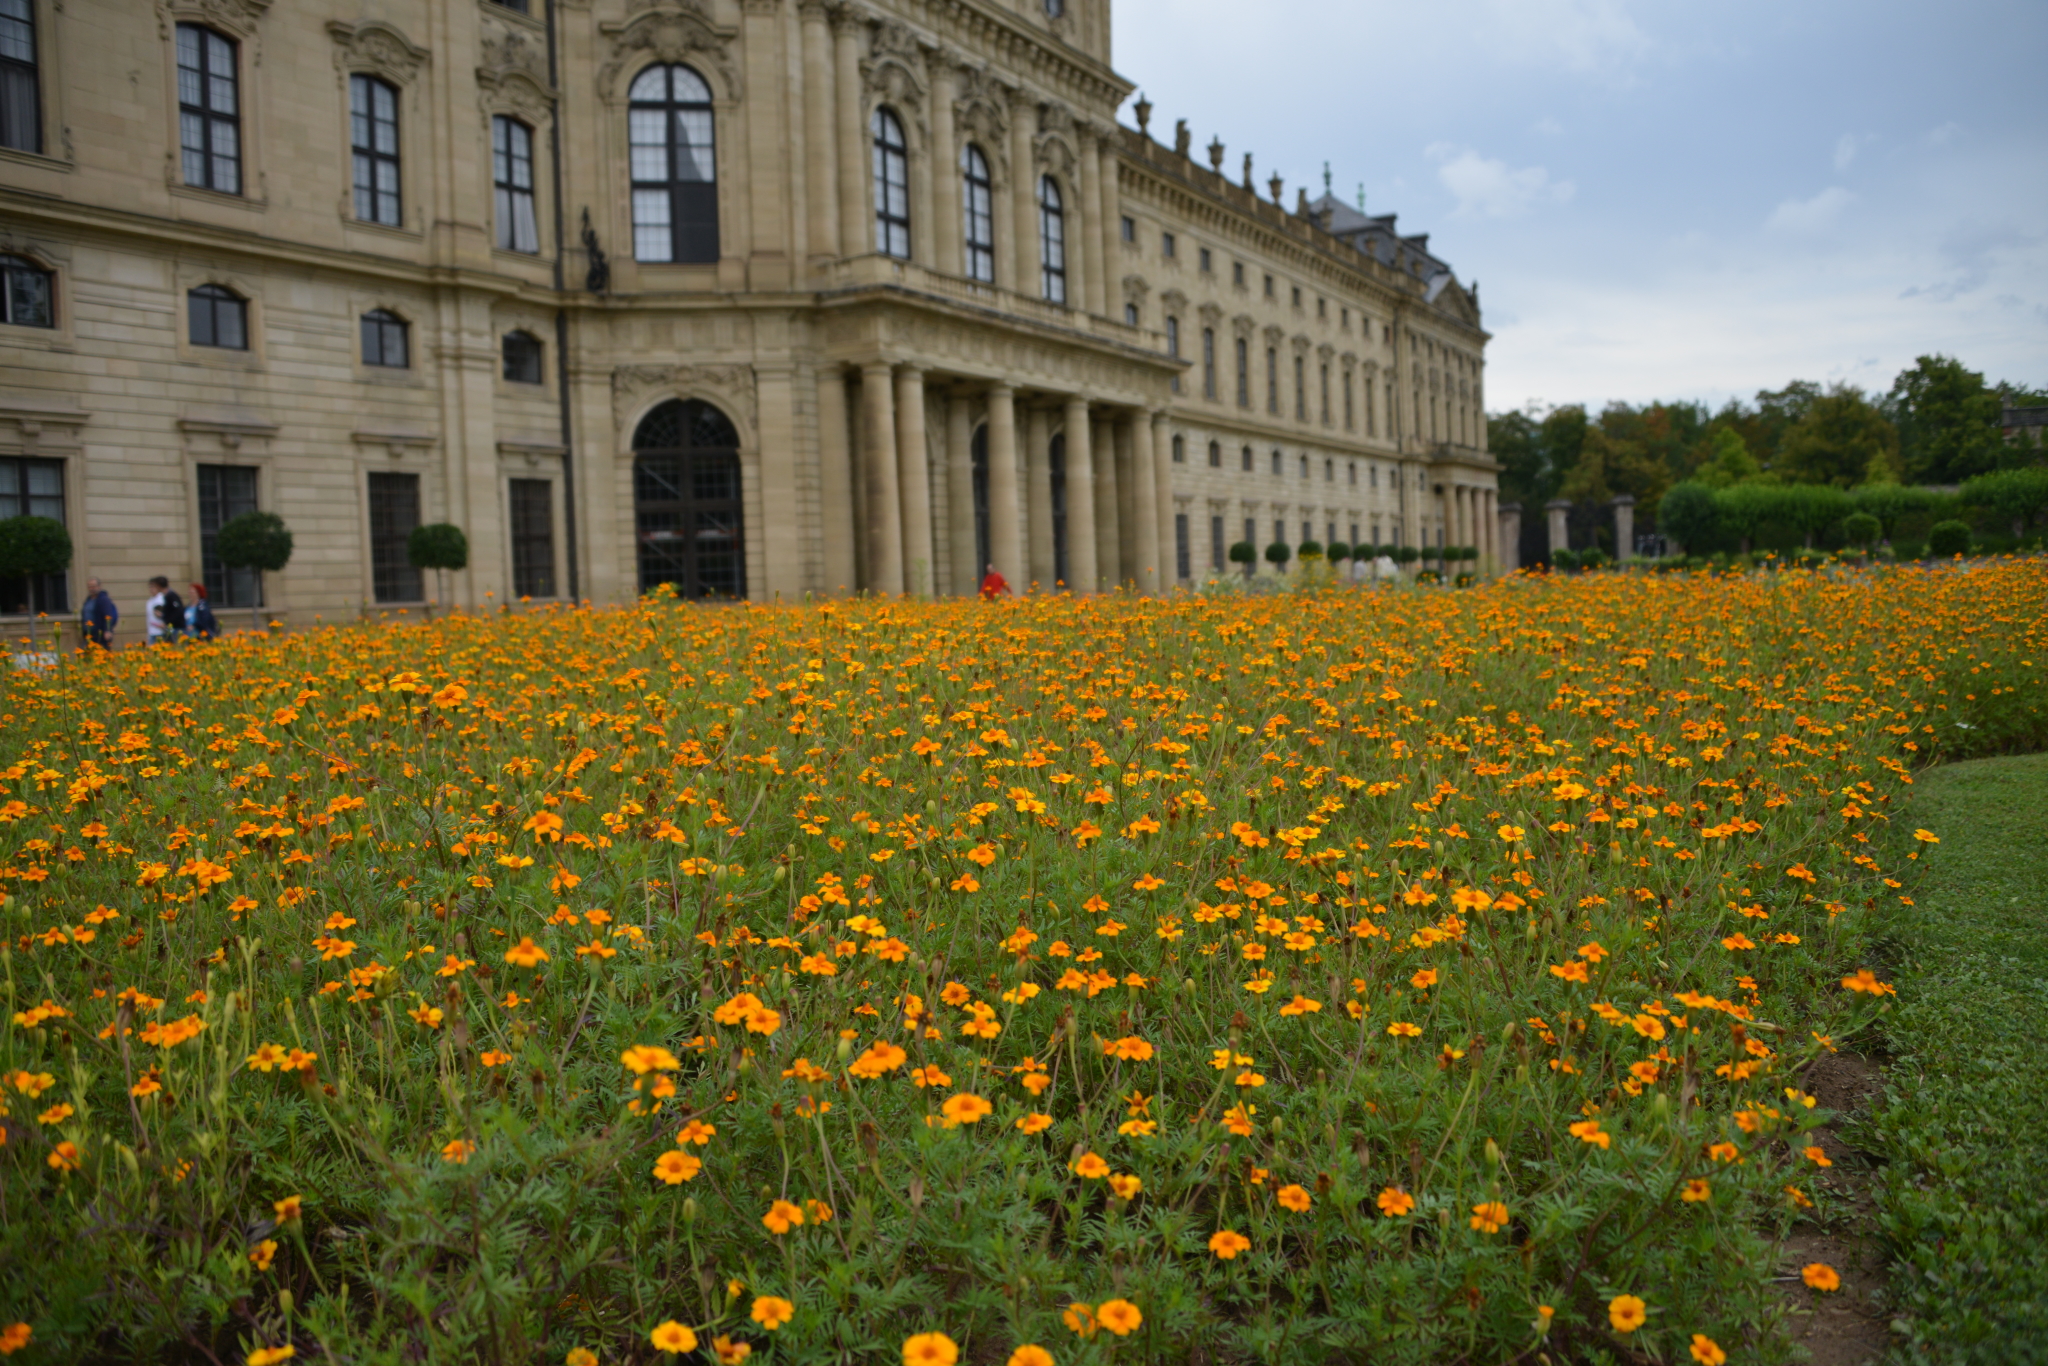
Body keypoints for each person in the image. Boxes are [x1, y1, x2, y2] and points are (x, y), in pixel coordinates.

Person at [79, 577, 117, 649]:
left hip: (100, 634)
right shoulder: (88, 600)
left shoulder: (103, 599)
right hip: (88, 634)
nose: (91, 588)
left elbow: (108, 615)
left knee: (102, 655)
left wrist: (107, 630)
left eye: (93, 586)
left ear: (99, 587)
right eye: (89, 586)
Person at [145, 576, 185, 644]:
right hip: (168, 629)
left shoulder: (170, 596)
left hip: (175, 628)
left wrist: (166, 622)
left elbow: (178, 611)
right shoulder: (165, 596)